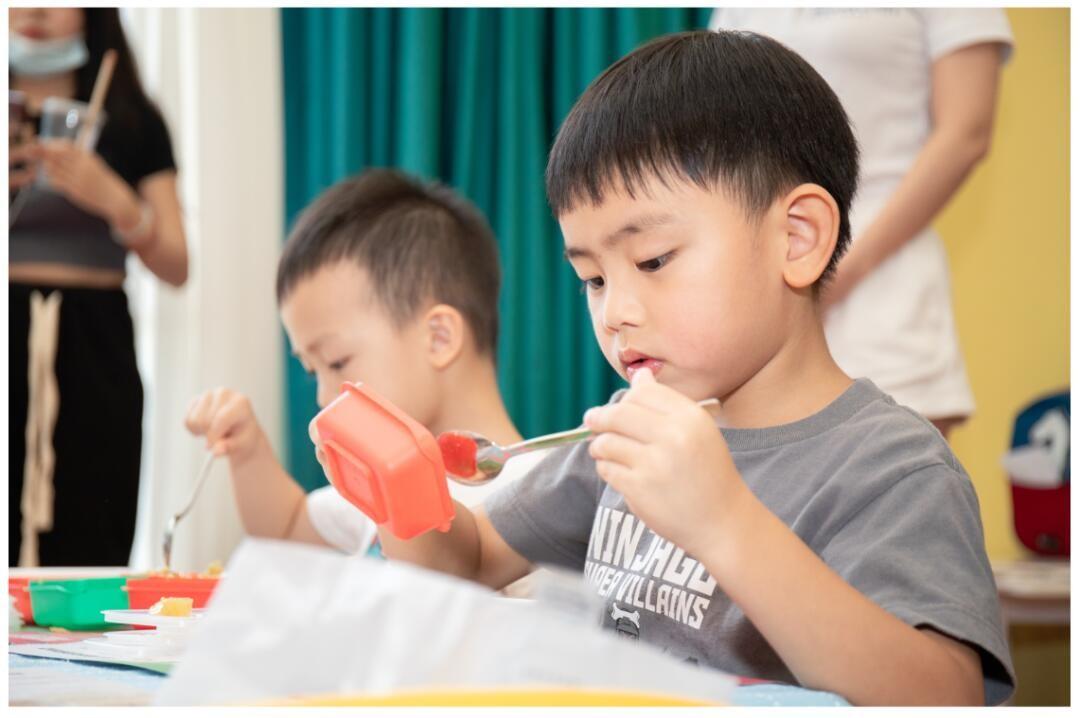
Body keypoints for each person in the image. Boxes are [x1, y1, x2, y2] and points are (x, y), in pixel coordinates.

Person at [341, 31, 1015, 705]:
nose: (615, 312)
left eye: (654, 260)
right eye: (593, 279)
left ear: (798, 238)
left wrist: (724, 522)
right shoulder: (627, 442)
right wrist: (396, 489)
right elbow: (471, 561)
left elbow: (943, 695)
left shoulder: (892, 469)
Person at [185, 169, 542, 556]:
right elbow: (287, 527)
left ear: (439, 338)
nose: (324, 396)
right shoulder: (378, 484)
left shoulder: (542, 496)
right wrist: (248, 450)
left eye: (337, 362)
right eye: (311, 371)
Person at [710, 8, 1014, 440]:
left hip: (881, 277)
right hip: (768, 280)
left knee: (893, 482)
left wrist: (838, 271)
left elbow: (965, 133)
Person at [9, 7, 188, 567]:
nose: (35, 10)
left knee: (89, 541)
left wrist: (115, 200)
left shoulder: (133, 121)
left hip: (95, 350)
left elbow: (177, 265)